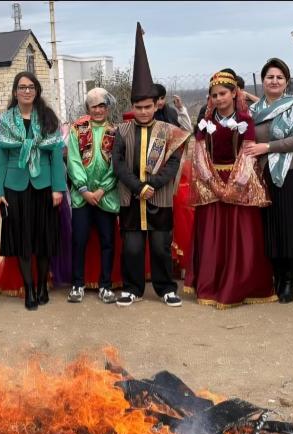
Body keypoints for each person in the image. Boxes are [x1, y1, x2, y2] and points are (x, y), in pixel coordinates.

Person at [113, 23, 191, 308]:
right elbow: (118, 163)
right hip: (131, 198)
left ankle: (166, 288)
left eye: (148, 106)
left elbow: (173, 163)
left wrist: (152, 185)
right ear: (132, 107)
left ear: (156, 105)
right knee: (132, 247)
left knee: (160, 246)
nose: (143, 111)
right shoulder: (121, 131)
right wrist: (138, 187)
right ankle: (132, 288)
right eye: (139, 107)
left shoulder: (168, 131)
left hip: (159, 197)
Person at [187, 69, 274, 308]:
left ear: (234, 93)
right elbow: (199, 154)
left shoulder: (245, 120)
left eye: (223, 94)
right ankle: (211, 284)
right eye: (214, 95)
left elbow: (248, 153)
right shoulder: (205, 122)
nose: (219, 99)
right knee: (213, 236)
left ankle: (240, 285)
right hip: (212, 182)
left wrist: (236, 186)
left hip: (239, 183)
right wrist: (213, 183)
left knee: (240, 236)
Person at [244, 58, 293, 303]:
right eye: (270, 77)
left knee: (290, 227)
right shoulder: (252, 111)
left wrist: (267, 147)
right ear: (263, 81)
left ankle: (288, 281)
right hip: (262, 173)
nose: (274, 81)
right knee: (270, 227)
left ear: (286, 82)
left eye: (279, 77)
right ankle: (276, 276)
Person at [0, 72, 66, 311]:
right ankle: (29, 289)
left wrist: (58, 188)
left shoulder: (47, 117)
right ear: (15, 92)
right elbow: (1, 156)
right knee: (22, 238)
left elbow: (56, 155)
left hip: (44, 186)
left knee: (43, 239)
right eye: (22, 87)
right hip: (14, 186)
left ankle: (43, 285)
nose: (26, 91)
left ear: (36, 91)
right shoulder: (6, 120)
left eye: (31, 87)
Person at [66, 87, 120, 304]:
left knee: (108, 242)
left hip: (106, 196)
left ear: (107, 108)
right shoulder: (77, 129)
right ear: (87, 108)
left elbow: (117, 165)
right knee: (79, 241)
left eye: (101, 106)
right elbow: (73, 160)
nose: (98, 110)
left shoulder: (115, 132)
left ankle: (105, 285)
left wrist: (101, 189)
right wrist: (84, 189)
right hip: (82, 197)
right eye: (93, 106)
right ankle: (77, 284)